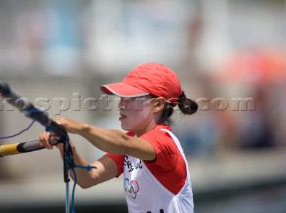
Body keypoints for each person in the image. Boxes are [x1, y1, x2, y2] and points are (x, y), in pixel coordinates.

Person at [39, 62, 198, 213]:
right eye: (122, 98)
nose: (121, 105)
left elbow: (122, 143)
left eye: (131, 98)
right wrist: (66, 146)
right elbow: (87, 178)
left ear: (158, 105)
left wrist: (80, 127)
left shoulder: (163, 142)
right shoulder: (130, 145)